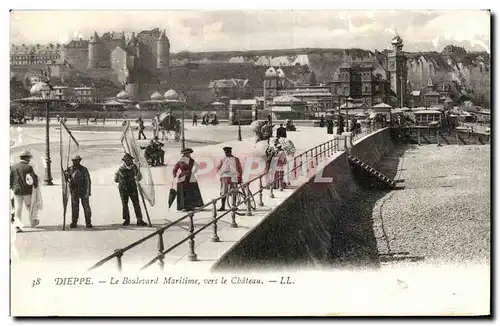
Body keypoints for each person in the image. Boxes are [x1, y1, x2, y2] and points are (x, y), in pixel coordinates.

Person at [10, 151, 41, 231]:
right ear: (26, 158)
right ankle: (32, 222)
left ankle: (17, 226)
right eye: (29, 158)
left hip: (17, 191)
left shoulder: (13, 167)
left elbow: (11, 179)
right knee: (30, 207)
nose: (29, 160)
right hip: (27, 191)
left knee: (18, 208)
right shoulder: (28, 167)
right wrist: (36, 184)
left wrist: (12, 187)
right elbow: (34, 178)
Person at [114, 153, 148, 227]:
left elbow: (140, 177)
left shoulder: (134, 167)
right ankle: (127, 219)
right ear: (125, 161)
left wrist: (138, 176)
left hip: (132, 188)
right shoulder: (121, 169)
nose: (130, 162)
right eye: (128, 160)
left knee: (136, 204)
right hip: (123, 189)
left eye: (130, 160)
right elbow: (115, 179)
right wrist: (130, 179)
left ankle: (139, 220)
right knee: (125, 204)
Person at [64, 155, 92, 228]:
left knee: (86, 207)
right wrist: (66, 175)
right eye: (73, 160)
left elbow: (88, 181)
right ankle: (74, 222)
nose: (74, 162)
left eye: (76, 160)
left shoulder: (84, 169)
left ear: (79, 161)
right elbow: (66, 179)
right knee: (74, 207)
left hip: (83, 190)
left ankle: (88, 222)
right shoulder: (69, 169)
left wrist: (88, 192)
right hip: (74, 190)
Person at [216, 147, 243, 211]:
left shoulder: (236, 159)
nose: (225, 153)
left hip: (234, 176)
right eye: (225, 152)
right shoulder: (223, 159)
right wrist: (221, 174)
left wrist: (239, 178)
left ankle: (234, 206)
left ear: (230, 152)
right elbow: (218, 168)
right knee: (223, 192)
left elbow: (240, 169)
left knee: (234, 191)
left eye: (227, 152)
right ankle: (223, 206)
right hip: (225, 177)